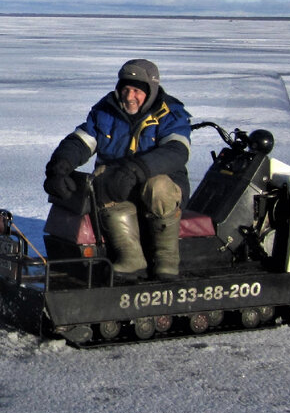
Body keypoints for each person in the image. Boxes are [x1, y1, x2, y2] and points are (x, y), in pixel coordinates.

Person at [43, 59, 192, 281]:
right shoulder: (106, 111)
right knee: (99, 180)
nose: (129, 96)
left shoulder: (170, 113)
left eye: (137, 90)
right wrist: (60, 166)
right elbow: (81, 140)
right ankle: (131, 258)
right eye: (125, 88)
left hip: (163, 187)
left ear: (150, 90)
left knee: (157, 186)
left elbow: (177, 151)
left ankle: (166, 260)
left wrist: (135, 170)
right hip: (118, 184)